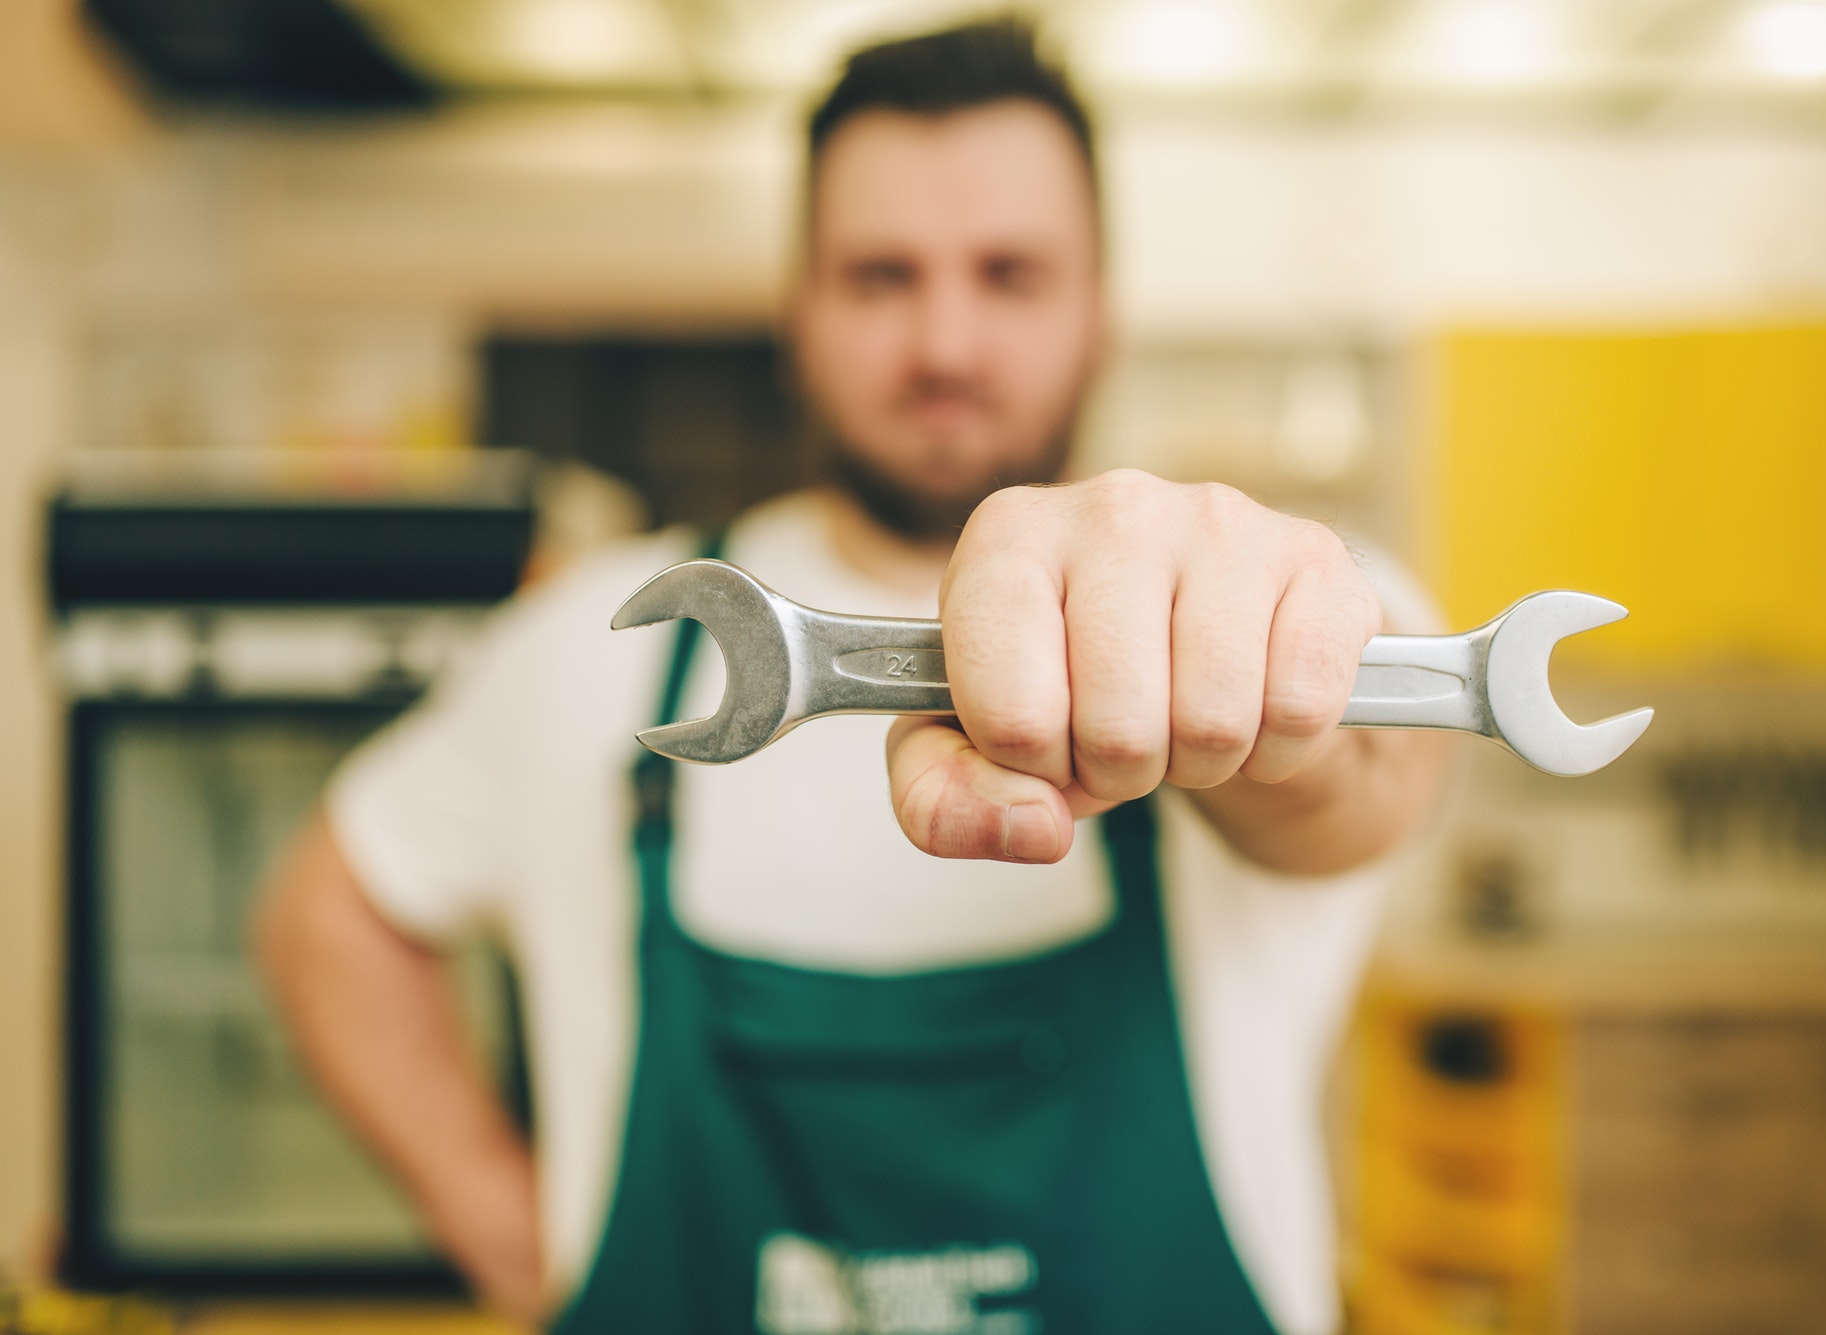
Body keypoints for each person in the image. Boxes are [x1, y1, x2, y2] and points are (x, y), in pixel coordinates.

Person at [257, 18, 1454, 1335]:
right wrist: (525, 1239)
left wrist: (1249, 693)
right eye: (883, 277)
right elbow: (327, 914)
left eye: (1010, 274)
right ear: (799, 312)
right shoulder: (591, 653)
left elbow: (1357, 783)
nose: (945, 342)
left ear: (1099, 309)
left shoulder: (1254, 602)